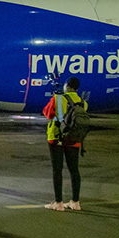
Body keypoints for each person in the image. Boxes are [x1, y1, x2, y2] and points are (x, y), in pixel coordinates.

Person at [42, 77, 87, 211]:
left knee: (57, 170)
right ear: (77, 88)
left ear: (66, 86)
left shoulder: (58, 98)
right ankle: (75, 201)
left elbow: (47, 113)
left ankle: (58, 202)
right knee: (74, 170)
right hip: (73, 139)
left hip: (56, 137)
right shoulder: (83, 102)